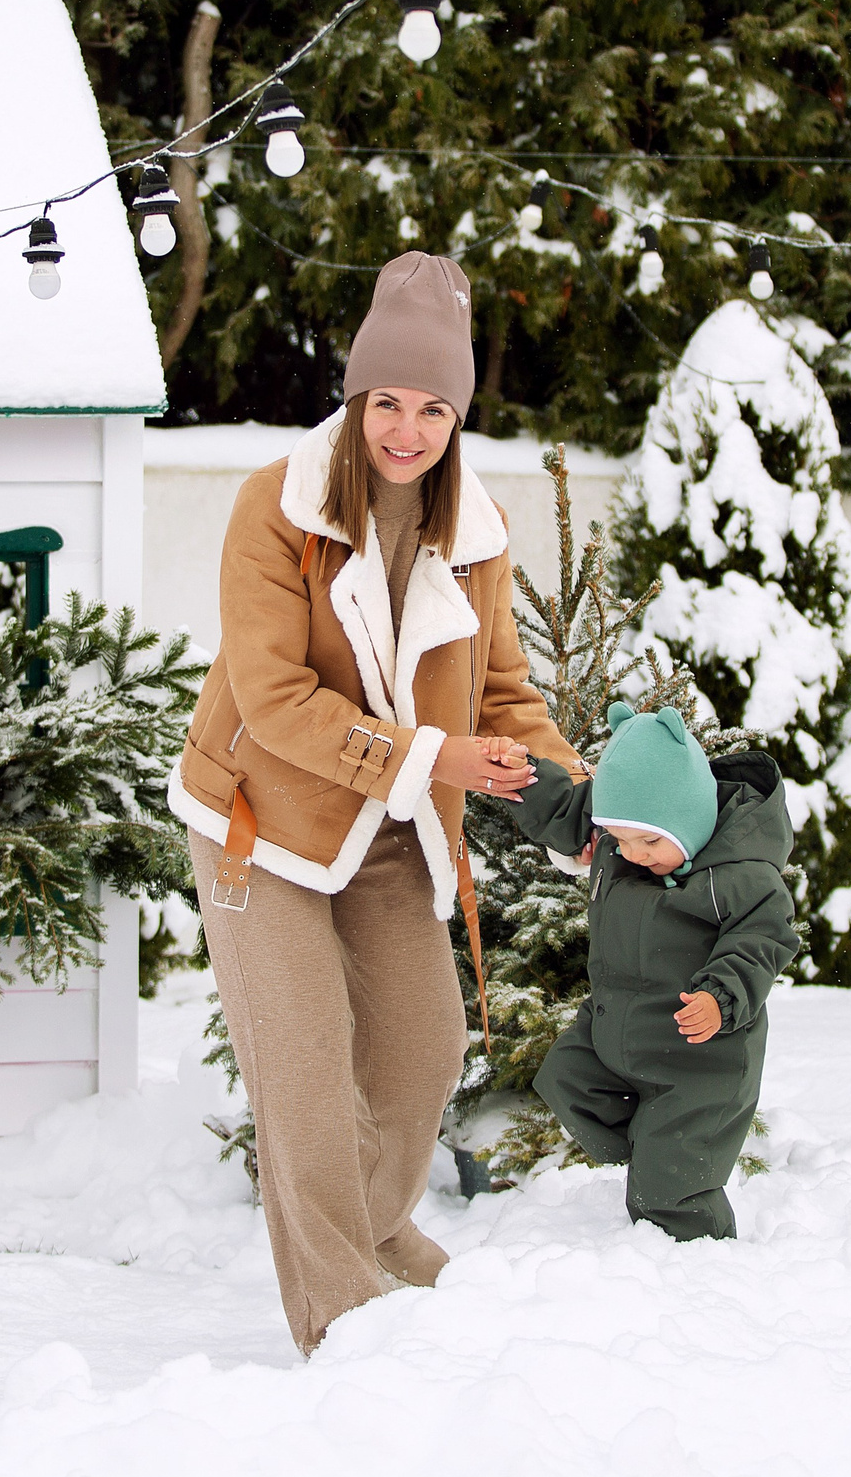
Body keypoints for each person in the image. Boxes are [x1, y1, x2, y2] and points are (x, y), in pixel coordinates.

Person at [170, 250, 581, 1355]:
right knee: (304, 1080)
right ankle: (345, 1334)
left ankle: (380, 1231)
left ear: (456, 415)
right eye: (387, 402)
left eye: (433, 407)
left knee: (420, 1048)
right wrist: (434, 758)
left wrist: (578, 805)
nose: (406, 430)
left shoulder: (475, 532)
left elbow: (498, 690)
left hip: (387, 821)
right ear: (356, 399)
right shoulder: (278, 507)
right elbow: (272, 697)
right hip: (258, 821)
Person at [509, 700, 800, 1240]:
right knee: (565, 1078)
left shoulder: (741, 877)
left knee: (671, 1189)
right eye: (620, 839)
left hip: (701, 1056)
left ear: (688, 818)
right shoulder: (622, 845)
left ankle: (694, 1264)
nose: (632, 853)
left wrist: (721, 997)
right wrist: (523, 776)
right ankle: (649, 1144)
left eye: (649, 840)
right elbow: (569, 811)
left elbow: (763, 940)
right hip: (618, 1028)